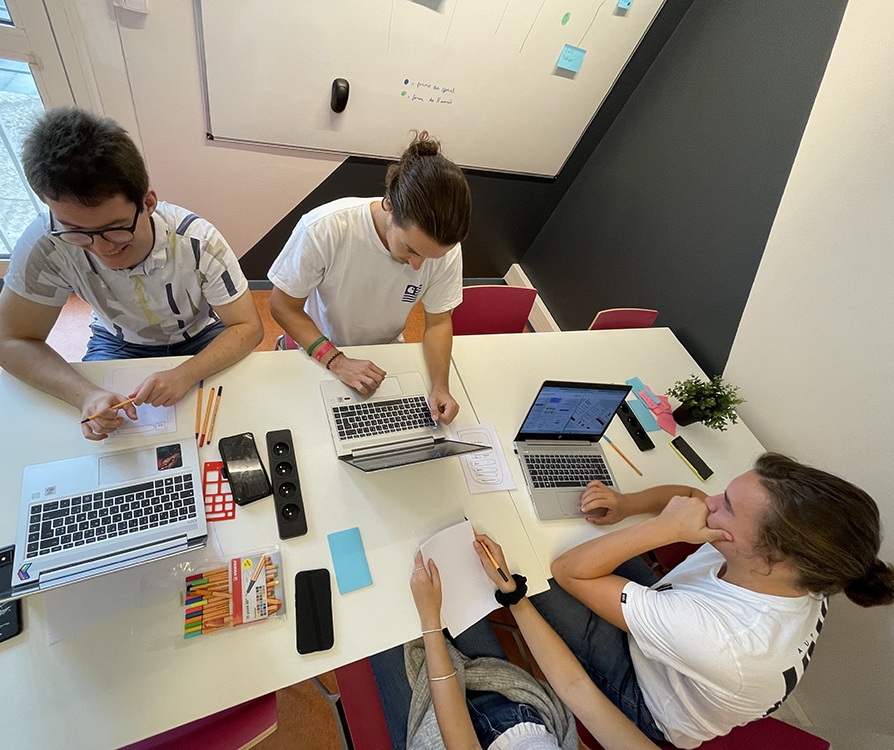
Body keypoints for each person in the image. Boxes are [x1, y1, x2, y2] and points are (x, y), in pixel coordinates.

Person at [531, 452, 894, 749]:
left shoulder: (726, 642)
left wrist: (663, 528)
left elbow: (570, 571)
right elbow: (690, 497)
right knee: (571, 527)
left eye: (728, 507)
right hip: (678, 629)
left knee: (532, 565)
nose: (711, 502)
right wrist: (629, 505)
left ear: (770, 558)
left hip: (643, 696)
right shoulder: (806, 574)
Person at [0, 107, 263, 441]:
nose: (101, 249)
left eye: (115, 229)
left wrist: (186, 373)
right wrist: (84, 395)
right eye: (76, 231)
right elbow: (9, 340)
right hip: (118, 341)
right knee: (102, 439)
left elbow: (247, 326)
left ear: (147, 202)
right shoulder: (47, 243)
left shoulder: (197, 241)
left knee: (239, 422)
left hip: (199, 335)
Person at [268, 131, 471, 424]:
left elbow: (439, 321)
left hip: (384, 351)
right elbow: (281, 306)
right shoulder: (325, 228)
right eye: (410, 249)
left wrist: (441, 385)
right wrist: (336, 361)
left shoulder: (445, 249)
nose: (417, 266)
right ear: (390, 204)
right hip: (321, 345)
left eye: (430, 257)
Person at [373, 548, 659, 750]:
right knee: (450, 570)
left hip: (441, 734)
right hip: (517, 704)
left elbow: (464, 744)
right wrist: (514, 596)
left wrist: (430, 624)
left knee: (379, 605)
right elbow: (576, 687)